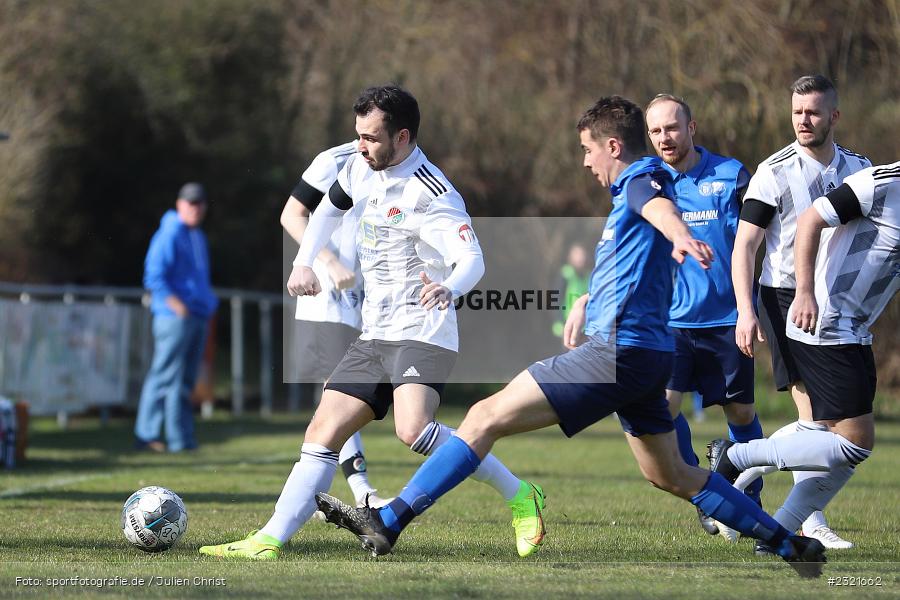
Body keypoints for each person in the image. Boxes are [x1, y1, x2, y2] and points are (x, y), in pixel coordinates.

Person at [315, 96, 827, 578]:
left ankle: (390, 521)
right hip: (648, 357)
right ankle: (791, 545)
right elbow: (634, 263)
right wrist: (587, 302)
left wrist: (680, 234)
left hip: (616, 354)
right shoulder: (633, 194)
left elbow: (657, 208)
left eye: (587, 149)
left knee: (481, 418)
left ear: (611, 146)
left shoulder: (640, 178)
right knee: (672, 474)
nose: (586, 162)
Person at [200, 85, 542, 560]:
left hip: (423, 330)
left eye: (372, 138)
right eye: (358, 135)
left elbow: (473, 260)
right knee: (321, 433)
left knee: (414, 431)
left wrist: (451, 287)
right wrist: (304, 263)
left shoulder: (433, 194)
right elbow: (325, 210)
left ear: (402, 137)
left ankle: (521, 494)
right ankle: (269, 540)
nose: (361, 146)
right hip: (374, 330)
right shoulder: (359, 167)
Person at [709, 161, 899, 552]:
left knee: (826, 439)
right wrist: (806, 292)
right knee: (854, 443)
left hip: (855, 327)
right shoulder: (882, 181)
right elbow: (811, 219)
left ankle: (777, 532)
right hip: (828, 318)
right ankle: (737, 456)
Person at [731, 75, 871, 551]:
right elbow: (745, 246)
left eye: (812, 112)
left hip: (839, 301)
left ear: (834, 115)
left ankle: (741, 472)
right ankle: (805, 520)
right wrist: (746, 312)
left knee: (826, 426)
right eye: (796, 112)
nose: (803, 120)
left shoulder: (859, 168)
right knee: (815, 416)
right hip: (787, 298)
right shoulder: (773, 171)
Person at [644, 94, 761, 539]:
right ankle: (704, 492)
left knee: (742, 410)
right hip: (672, 324)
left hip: (728, 318)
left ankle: (750, 499)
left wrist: (750, 308)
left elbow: (754, 244)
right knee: (664, 408)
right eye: (656, 131)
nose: (664, 138)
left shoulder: (732, 176)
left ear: (691, 128)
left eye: (672, 128)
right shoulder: (649, 182)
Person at [281, 140, 389, 510]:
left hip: (368, 302)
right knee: (337, 394)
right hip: (327, 299)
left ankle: (314, 493)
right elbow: (292, 214)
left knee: (340, 399)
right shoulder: (334, 160)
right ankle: (361, 492)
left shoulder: (397, 165)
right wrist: (325, 261)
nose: (368, 140)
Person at [135, 183, 218, 453]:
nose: (195, 208)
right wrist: (177, 306)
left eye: (199, 203)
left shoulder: (199, 236)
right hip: (174, 317)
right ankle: (146, 435)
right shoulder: (169, 233)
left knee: (184, 382)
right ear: (179, 204)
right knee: (163, 376)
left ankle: (181, 440)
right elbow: (154, 276)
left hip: (198, 316)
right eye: (190, 202)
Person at [551, 244, 590, 340]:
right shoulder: (565, 274)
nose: (581, 258)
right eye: (577, 255)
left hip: (583, 327)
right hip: (565, 324)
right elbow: (555, 298)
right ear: (570, 257)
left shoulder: (589, 276)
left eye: (582, 255)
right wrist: (558, 321)